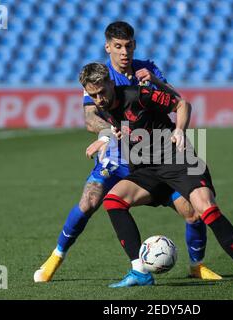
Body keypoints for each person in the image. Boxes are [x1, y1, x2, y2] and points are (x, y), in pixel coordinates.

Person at [34, 21, 221, 282]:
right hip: (117, 155)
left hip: (151, 156)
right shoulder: (99, 76)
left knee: (192, 211)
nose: (125, 52)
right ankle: (56, 257)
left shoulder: (148, 69)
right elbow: (90, 118)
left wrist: (156, 81)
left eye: (129, 46)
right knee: (88, 202)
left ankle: (196, 265)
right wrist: (111, 131)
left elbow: (176, 103)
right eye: (118, 46)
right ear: (108, 47)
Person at [78, 62, 233, 287]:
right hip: (146, 168)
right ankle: (139, 272)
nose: (99, 98)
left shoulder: (139, 95)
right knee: (113, 201)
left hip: (178, 159)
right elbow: (111, 127)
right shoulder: (101, 107)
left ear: (111, 83)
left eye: (103, 91)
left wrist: (179, 130)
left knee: (206, 209)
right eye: (94, 95)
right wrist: (105, 137)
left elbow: (182, 104)